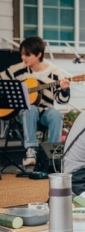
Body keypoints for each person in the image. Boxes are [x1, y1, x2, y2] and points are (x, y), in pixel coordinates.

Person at [0, 36, 70, 166]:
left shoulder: (54, 72)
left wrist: (65, 90)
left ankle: (53, 153)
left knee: (56, 114)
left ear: (39, 54)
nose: (23, 58)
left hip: (45, 111)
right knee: (30, 109)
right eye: (22, 54)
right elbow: (1, 81)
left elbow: (61, 100)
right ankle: (30, 151)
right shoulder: (17, 69)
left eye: (27, 54)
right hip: (24, 113)